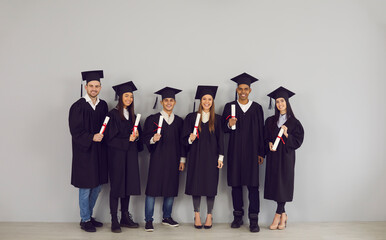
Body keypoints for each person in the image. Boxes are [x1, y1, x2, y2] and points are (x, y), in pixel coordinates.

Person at [222, 73, 265, 232]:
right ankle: (237, 217)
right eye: (240, 89)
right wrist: (229, 123)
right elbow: (223, 130)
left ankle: (254, 219)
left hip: (253, 152)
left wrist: (261, 152)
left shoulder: (257, 108)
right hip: (235, 152)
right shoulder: (229, 107)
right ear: (237, 89)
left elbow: (261, 131)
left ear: (250, 90)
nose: (243, 91)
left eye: (246, 89)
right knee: (236, 186)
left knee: (253, 187)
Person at [68, 70, 108, 232]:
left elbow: (108, 127)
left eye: (96, 86)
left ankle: (89, 216)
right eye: (91, 86)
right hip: (84, 153)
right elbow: (75, 131)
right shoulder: (77, 106)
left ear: (100, 87)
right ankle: (85, 220)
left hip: (99, 152)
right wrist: (92, 137)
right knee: (85, 187)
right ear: (86, 87)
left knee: (97, 186)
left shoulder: (103, 105)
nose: (94, 88)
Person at [180, 85, 224, 229]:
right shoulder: (191, 117)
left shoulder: (217, 119)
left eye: (209, 99)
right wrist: (190, 139)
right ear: (200, 101)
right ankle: (197, 215)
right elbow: (183, 141)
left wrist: (220, 158)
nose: (206, 101)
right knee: (196, 185)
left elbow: (221, 140)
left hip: (212, 157)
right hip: (195, 156)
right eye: (204, 99)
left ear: (212, 101)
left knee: (210, 185)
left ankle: (209, 215)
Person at [142, 87, 186, 232]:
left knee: (171, 188)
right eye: (166, 100)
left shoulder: (179, 121)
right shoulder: (152, 119)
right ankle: (149, 220)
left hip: (173, 159)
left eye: (171, 100)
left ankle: (167, 217)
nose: (168, 103)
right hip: (157, 159)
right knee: (152, 190)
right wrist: (153, 139)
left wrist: (182, 160)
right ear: (161, 102)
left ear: (175, 102)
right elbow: (145, 138)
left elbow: (182, 143)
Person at [105, 81, 144, 233]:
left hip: (131, 155)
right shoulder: (112, 114)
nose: (129, 98)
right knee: (117, 187)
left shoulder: (133, 115)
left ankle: (125, 217)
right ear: (120, 97)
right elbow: (109, 139)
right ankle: (114, 219)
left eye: (131, 96)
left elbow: (137, 139)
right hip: (117, 156)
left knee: (127, 186)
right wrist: (127, 140)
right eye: (126, 96)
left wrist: (137, 136)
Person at [264, 86, 304, 230]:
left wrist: (287, 135)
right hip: (274, 157)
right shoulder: (270, 121)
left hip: (286, 158)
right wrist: (268, 143)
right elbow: (266, 137)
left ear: (287, 102)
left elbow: (298, 141)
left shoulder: (294, 122)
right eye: (277, 101)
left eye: (282, 101)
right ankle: (284, 215)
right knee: (276, 186)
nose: (280, 104)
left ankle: (277, 215)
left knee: (283, 186)